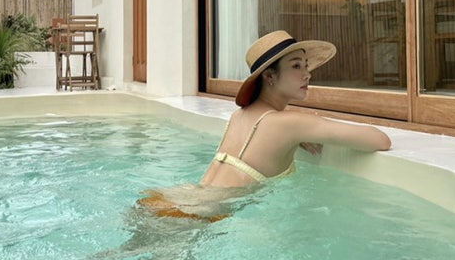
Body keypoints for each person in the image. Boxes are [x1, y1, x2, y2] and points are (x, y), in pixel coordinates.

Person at [138, 30, 392, 220]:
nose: (307, 74)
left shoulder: (241, 116)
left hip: (167, 200)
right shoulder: (291, 124)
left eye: (306, 66)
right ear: (270, 76)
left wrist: (299, 133)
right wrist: (305, 129)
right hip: (190, 219)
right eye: (296, 66)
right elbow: (380, 140)